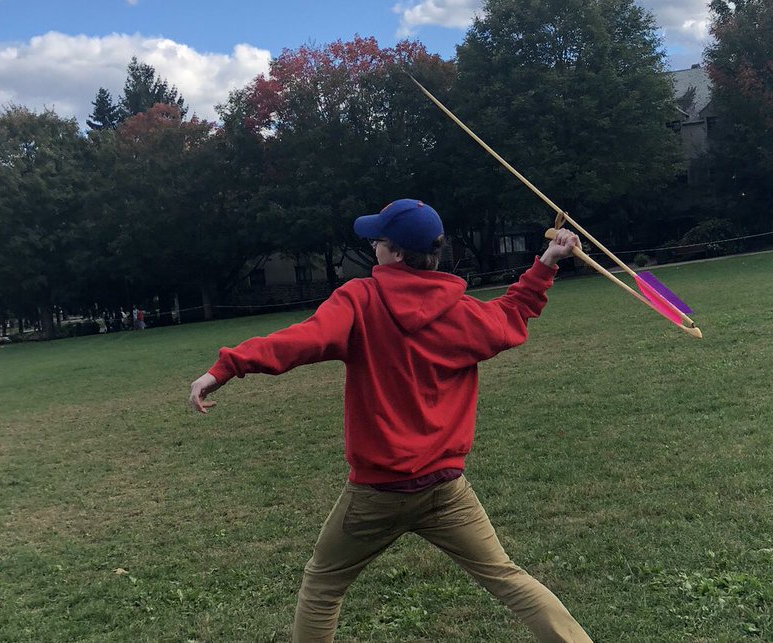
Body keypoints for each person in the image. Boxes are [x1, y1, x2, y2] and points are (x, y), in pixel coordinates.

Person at [188, 199, 592, 642]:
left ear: (396, 253)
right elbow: (512, 314)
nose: (374, 247)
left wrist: (226, 366)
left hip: (379, 492)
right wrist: (547, 264)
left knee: (322, 586)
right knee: (506, 577)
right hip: (444, 486)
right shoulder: (461, 311)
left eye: (378, 240)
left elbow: (302, 339)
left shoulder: (360, 299)